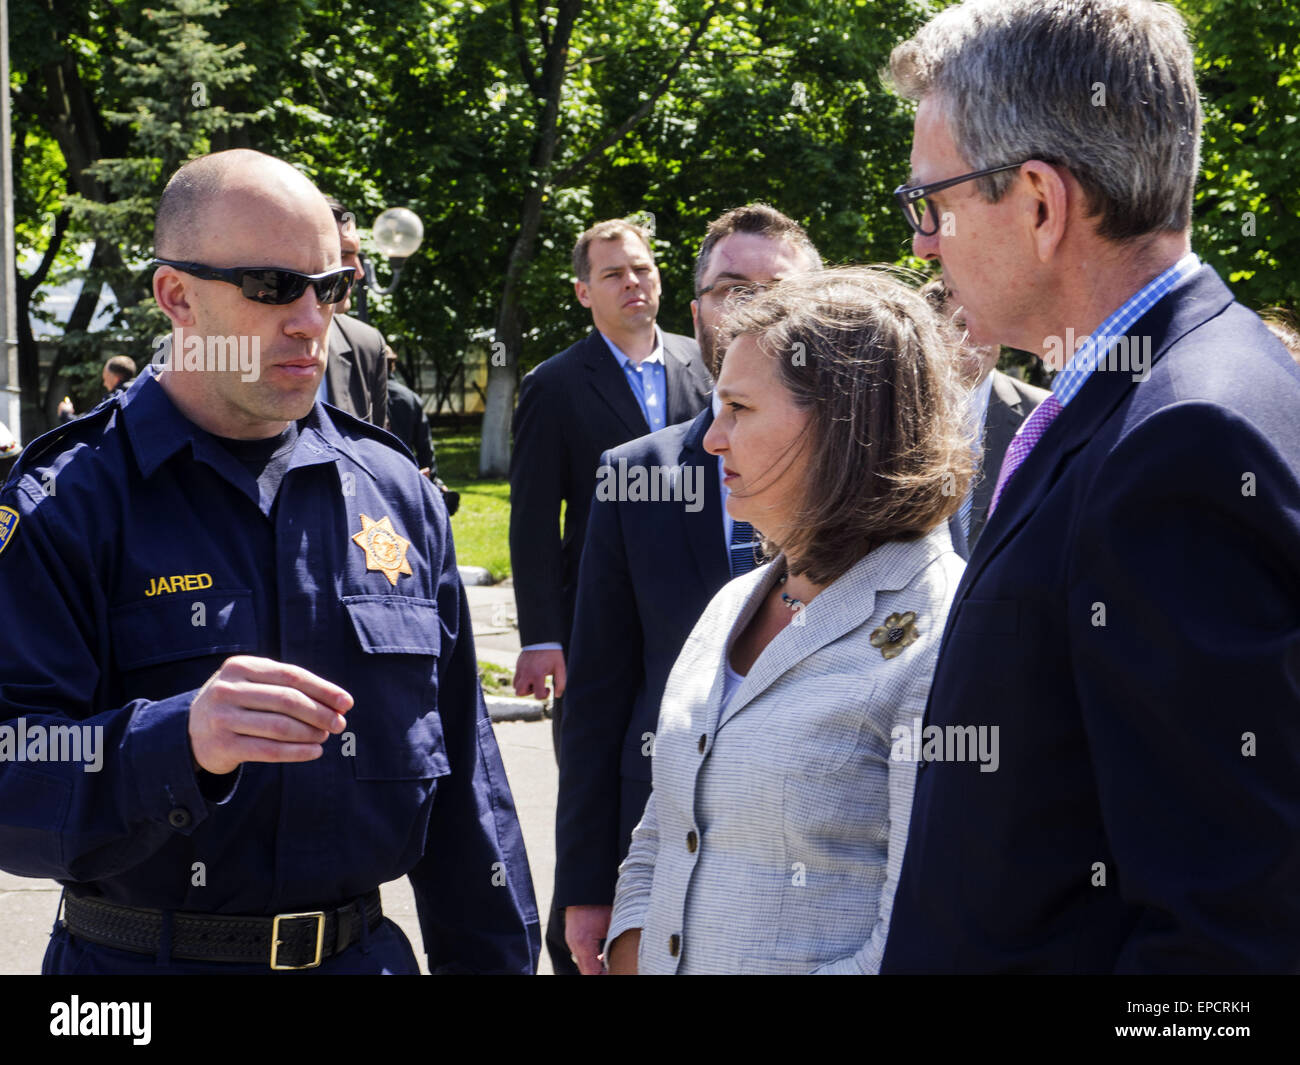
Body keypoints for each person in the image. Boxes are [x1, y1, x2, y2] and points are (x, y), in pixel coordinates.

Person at [0, 148, 539, 974]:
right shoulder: (65, 502)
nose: (311, 319)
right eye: (271, 286)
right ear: (175, 295)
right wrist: (179, 739)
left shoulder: (394, 491)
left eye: (332, 287)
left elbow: (469, 790)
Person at [881, 0, 1300, 973]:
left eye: (930, 204)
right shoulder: (1193, 389)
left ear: (1038, 202)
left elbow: (1231, 941)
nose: (921, 246)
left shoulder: (1182, 442)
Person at [605, 266, 973, 974]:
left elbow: (923, 931)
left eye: (739, 408)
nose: (711, 438)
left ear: (843, 425)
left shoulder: (946, 631)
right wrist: (632, 943)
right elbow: (668, 822)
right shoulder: (731, 602)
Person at [555, 204, 822, 974]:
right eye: (730, 287)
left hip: (820, 843)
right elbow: (599, 695)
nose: (752, 308)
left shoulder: (864, 475)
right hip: (665, 847)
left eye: (777, 289)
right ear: (696, 306)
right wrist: (584, 883)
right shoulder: (634, 472)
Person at [507, 216, 711, 972]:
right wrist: (540, 634)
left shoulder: (707, 369)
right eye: (616, 273)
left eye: (647, 269)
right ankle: (593, 933)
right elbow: (531, 522)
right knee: (602, 781)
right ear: (583, 291)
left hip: (697, 611)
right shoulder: (556, 384)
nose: (636, 283)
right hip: (598, 623)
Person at [919, 279, 1049, 556]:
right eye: (962, 326)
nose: (980, 338)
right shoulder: (901, 408)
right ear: (929, 333)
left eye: (989, 324)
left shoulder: (1042, 411)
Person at [320, 196, 389, 428]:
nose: (358, 272)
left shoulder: (367, 344)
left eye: (356, 255)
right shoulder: (234, 345)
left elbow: (376, 449)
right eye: (342, 255)